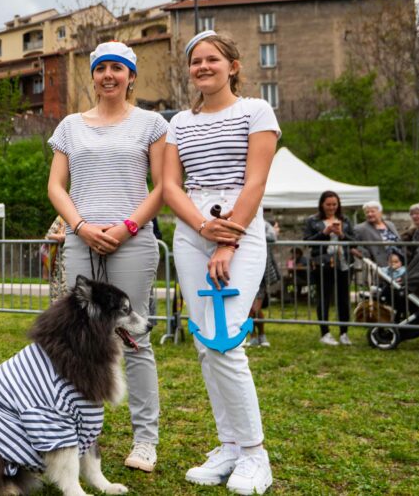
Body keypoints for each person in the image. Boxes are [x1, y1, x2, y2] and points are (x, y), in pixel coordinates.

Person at [163, 31, 278, 494]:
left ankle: (255, 453)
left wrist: (228, 240)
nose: (203, 66)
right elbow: (171, 185)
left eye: (213, 59)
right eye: (196, 61)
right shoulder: (178, 123)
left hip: (241, 228)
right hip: (192, 232)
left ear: (233, 65)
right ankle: (228, 445)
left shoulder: (256, 111)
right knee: (204, 343)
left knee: (225, 339)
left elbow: (256, 181)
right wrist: (201, 227)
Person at [46, 40, 168, 473]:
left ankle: (145, 440)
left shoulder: (151, 124)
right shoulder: (70, 127)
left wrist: (126, 227)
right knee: (80, 340)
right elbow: (57, 186)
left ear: (131, 76)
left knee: (132, 338)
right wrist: (80, 226)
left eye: (118, 68)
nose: (109, 76)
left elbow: (162, 186)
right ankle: (78, 438)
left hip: (131, 242)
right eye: (101, 69)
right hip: (82, 239)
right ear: (93, 76)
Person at [303, 190, 356, 346]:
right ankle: (325, 332)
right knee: (324, 298)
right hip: (322, 265)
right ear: (322, 205)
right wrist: (324, 232)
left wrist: (342, 235)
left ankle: (344, 333)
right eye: (328, 204)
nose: (331, 207)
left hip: (344, 264)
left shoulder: (345, 220)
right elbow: (307, 241)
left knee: (343, 299)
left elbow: (355, 242)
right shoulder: (312, 221)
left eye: (334, 204)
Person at [245, 221, 279, 348]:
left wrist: (251, 237)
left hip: (261, 272)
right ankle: (253, 336)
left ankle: (262, 335)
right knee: (247, 310)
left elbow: (272, 237)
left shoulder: (264, 224)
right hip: (244, 271)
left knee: (255, 308)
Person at [351, 201, 399, 266]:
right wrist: (366, 254)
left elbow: (398, 239)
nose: (369, 214)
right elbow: (354, 245)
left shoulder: (390, 224)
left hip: (397, 262)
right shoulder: (360, 228)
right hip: (377, 265)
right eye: (367, 212)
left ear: (380, 212)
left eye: (372, 211)